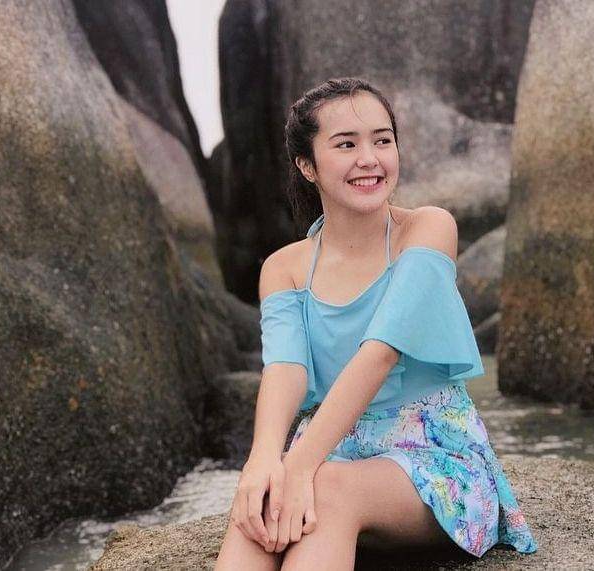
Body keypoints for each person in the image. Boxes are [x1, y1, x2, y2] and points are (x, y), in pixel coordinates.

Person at [215, 77, 537, 570]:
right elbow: (285, 369)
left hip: (433, 457)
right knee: (262, 506)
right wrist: (263, 461)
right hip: (331, 446)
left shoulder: (427, 229)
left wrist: (298, 465)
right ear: (307, 166)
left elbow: (381, 352)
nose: (370, 158)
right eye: (346, 144)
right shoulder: (284, 267)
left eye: (382, 140)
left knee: (327, 487)